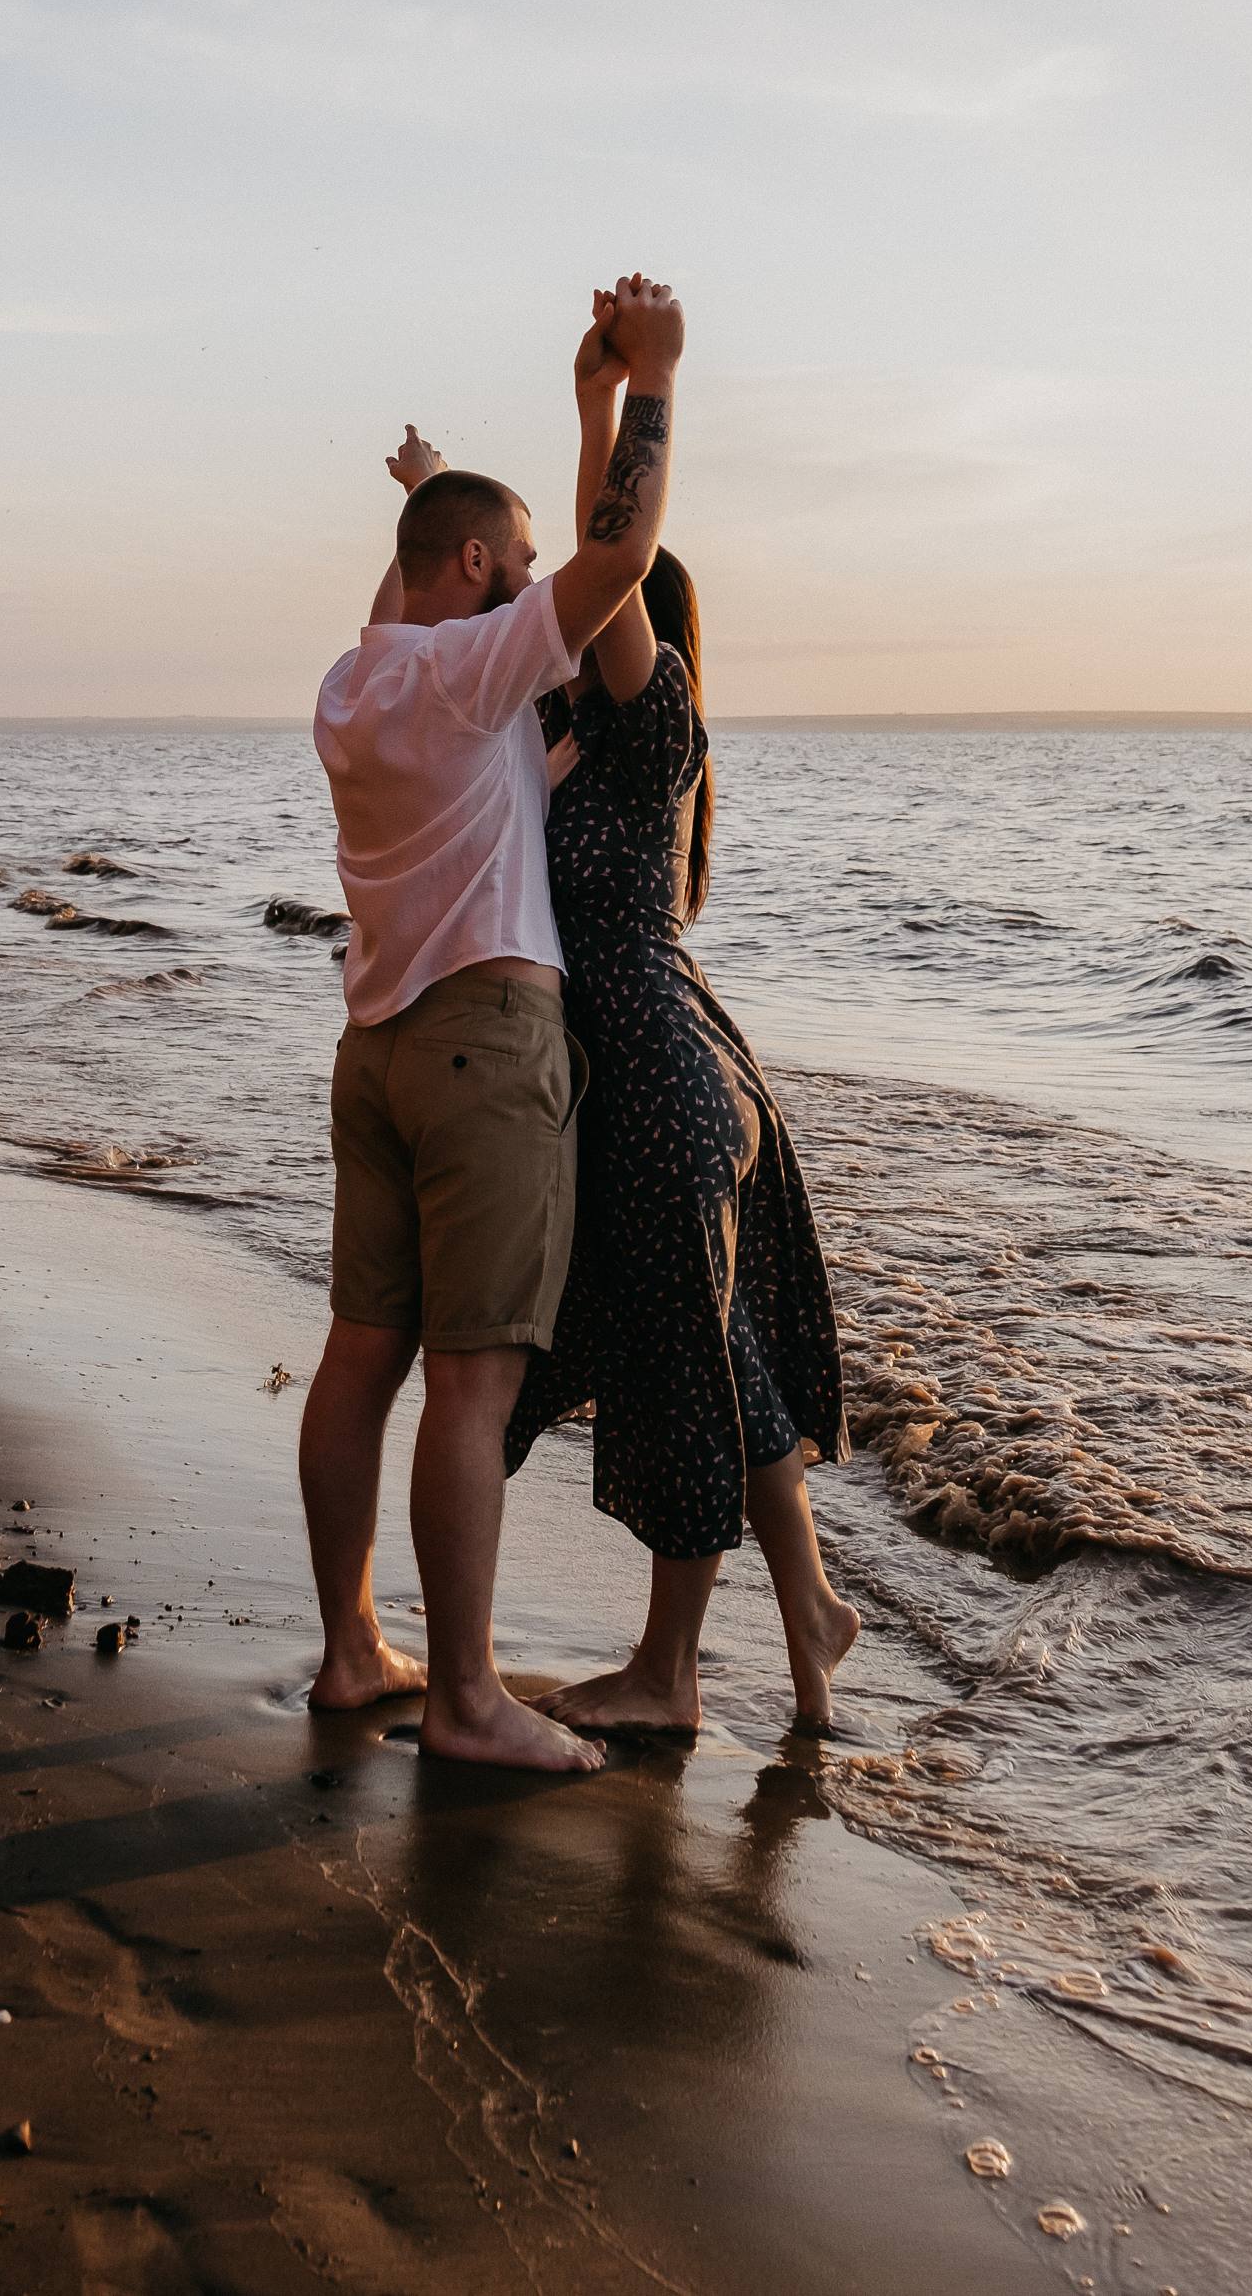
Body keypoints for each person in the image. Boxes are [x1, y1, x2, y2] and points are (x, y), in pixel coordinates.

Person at [300, 277, 688, 1773]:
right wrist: (648, 381)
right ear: (475, 572)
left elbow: (417, 577)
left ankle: (354, 1651)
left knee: (360, 1355)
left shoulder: (355, 683)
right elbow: (622, 551)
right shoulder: (474, 674)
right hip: (481, 1046)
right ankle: (464, 1700)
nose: (541, 584)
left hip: (376, 1048)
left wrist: (445, 485)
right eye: (513, 565)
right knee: (470, 1379)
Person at [506, 288, 859, 1735]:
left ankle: (666, 1677)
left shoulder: (651, 719)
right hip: (647, 1054)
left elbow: (610, 548)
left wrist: (639, 393)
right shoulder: (562, 730)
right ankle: (813, 1612)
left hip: (656, 1071)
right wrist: (582, 401)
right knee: (716, 1350)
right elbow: (550, 580)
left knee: (682, 1370)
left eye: (609, 599)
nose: (580, 611)